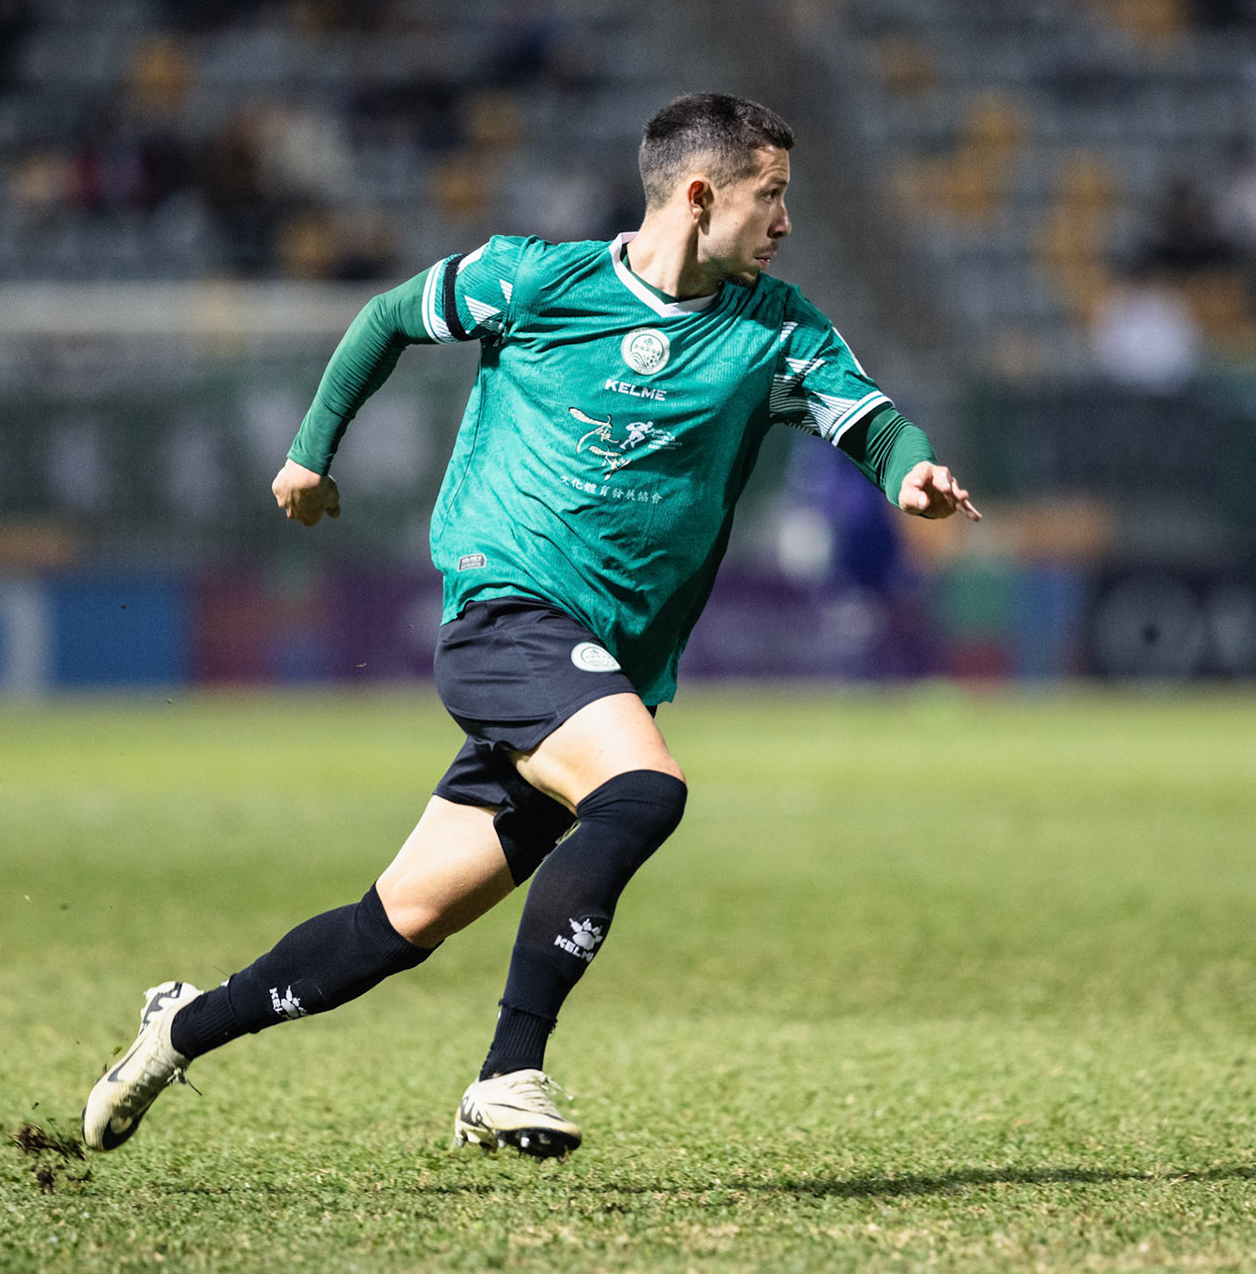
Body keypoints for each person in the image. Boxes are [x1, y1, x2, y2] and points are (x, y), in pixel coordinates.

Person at [81, 93, 977, 1159]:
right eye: (770, 195)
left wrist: (909, 469)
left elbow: (865, 418)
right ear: (699, 194)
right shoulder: (540, 281)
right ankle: (509, 1069)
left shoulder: (773, 326)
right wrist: (310, 452)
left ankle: (178, 1025)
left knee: (392, 925)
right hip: (507, 615)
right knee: (645, 789)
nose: (786, 220)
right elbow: (387, 318)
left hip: (601, 665)